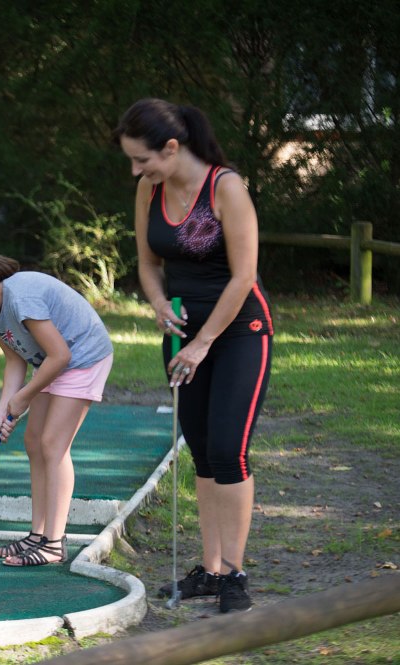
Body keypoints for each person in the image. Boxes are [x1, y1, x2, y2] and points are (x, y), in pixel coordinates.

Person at [113, 98, 274, 612]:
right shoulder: (149, 189)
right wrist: (158, 302)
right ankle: (209, 570)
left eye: (144, 159)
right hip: (183, 336)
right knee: (202, 452)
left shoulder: (226, 188)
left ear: (173, 147)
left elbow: (244, 276)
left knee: (230, 451)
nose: (138, 170)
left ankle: (235, 575)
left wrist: (204, 344)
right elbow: (147, 261)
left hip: (237, 334)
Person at [0, 255, 114, 567]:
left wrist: (25, 396)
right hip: (51, 362)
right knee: (33, 442)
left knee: (53, 445)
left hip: (83, 357)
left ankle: (54, 544)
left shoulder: (22, 300)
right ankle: (37, 534)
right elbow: (15, 360)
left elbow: (61, 356)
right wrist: (4, 407)